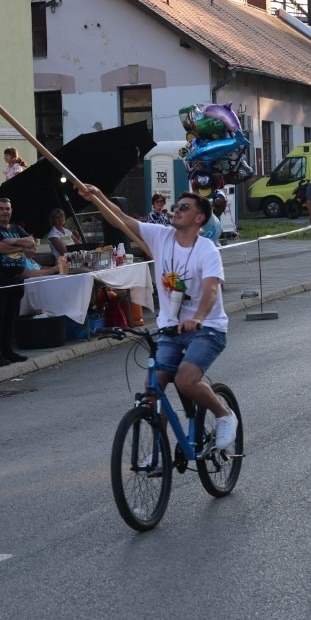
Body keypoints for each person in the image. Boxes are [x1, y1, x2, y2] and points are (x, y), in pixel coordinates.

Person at [78, 185, 237, 450]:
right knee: (153, 392)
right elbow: (121, 218)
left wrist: (197, 317)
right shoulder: (160, 236)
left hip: (206, 327)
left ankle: (224, 415)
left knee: (186, 380)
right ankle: (157, 454)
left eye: (184, 208)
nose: (176, 210)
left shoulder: (207, 250)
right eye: (176, 206)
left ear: (199, 218)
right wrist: (98, 196)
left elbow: (211, 289)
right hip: (171, 328)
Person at [0, 197, 37, 367]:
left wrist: (12, 241)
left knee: (11, 317)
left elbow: (32, 241)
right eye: (1, 208)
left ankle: (8, 351)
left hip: (17, 278)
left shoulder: (15, 229)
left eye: (7, 208)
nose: (5, 211)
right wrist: (21, 248)